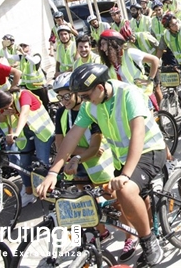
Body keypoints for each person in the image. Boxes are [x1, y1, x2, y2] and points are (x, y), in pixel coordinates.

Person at [36, 63, 167, 266]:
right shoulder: (90, 104)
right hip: (122, 157)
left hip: (148, 150)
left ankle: (149, 242)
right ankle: (146, 223)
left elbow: (138, 136)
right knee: (120, 197)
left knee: (125, 191)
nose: (84, 101)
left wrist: (125, 175)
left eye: (86, 95)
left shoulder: (128, 93)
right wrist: (53, 171)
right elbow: (71, 137)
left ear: (100, 87)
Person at [51, 73, 119, 251]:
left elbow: (95, 147)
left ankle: (130, 235)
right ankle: (102, 232)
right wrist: (79, 152)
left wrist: (74, 150)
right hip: (78, 167)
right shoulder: (61, 113)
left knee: (116, 200)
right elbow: (60, 143)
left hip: (100, 167)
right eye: (60, 97)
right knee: (87, 204)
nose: (64, 101)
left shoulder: (90, 109)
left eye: (67, 96)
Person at [0, 88, 55, 207]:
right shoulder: (5, 102)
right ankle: (29, 192)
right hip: (24, 134)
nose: (6, 108)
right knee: (23, 164)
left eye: (6, 106)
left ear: (9, 99)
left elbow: (24, 113)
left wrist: (15, 133)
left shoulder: (24, 95)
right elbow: (0, 119)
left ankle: (49, 193)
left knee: (42, 163)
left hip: (41, 130)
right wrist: (4, 114)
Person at [14, 42, 50, 111]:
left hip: (39, 86)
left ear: (29, 46)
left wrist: (24, 53)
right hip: (29, 86)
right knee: (35, 104)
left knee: (45, 104)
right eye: (21, 46)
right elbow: (9, 57)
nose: (22, 47)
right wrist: (5, 48)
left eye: (25, 45)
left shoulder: (36, 55)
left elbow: (34, 61)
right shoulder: (22, 57)